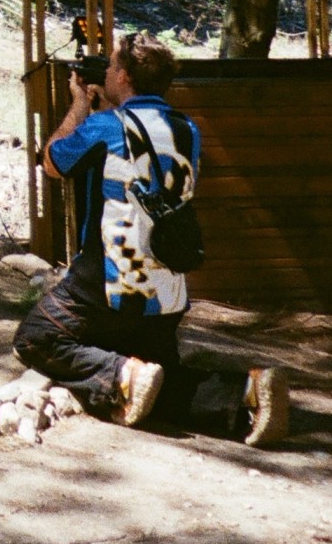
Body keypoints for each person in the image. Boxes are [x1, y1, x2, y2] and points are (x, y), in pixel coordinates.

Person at [15, 30, 289, 446]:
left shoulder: (107, 125)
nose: (105, 72)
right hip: (166, 290)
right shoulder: (186, 130)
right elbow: (144, 158)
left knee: (36, 338)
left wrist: (79, 104)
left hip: (108, 280)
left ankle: (117, 375)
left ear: (123, 77)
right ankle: (244, 391)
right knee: (160, 381)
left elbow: (54, 162)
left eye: (110, 66)